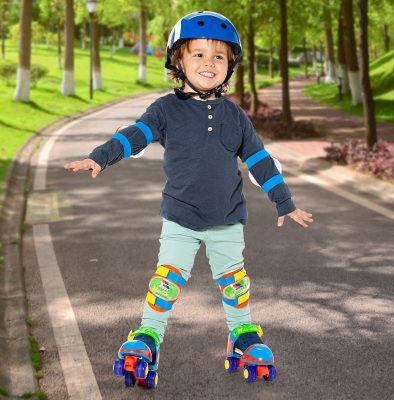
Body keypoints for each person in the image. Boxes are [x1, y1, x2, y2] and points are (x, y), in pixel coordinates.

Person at [64, 11, 313, 388]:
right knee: (167, 279)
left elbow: (260, 161)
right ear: (178, 61)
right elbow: (136, 135)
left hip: (227, 218)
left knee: (234, 281)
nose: (209, 62)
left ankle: (242, 332)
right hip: (180, 217)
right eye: (198, 54)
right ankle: (149, 334)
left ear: (230, 65)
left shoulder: (235, 116)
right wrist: (100, 156)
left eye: (218, 56)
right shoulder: (166, 109)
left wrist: (284, 201)